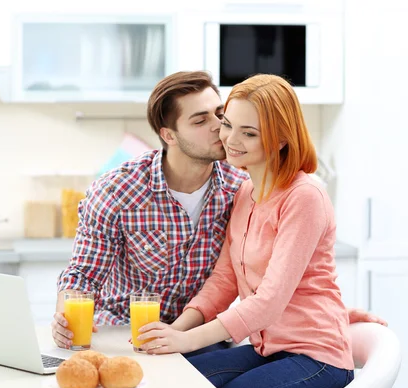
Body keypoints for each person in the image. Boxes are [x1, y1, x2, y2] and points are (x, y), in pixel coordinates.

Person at [51, 71, 386, 351]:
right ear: (169, 135)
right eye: (201, 120)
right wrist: (65, 318)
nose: (219, 128)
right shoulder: (119, 191)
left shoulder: (241, 187)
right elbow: (82, 275)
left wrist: (329, 312)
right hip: (123, 332)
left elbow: (274, 279)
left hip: (203, 337)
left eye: (219, 115)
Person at [135, 74, 355, 388]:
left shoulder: (304, 196)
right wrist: (175, 330)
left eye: (248, 133)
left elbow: (269, 301)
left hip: (317, 356)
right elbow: (224, 280)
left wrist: (188, 340)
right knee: (172, 379)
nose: (230, 139)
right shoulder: (245, 191)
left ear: (281, 139)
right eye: (227, 124)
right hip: (267, 349)